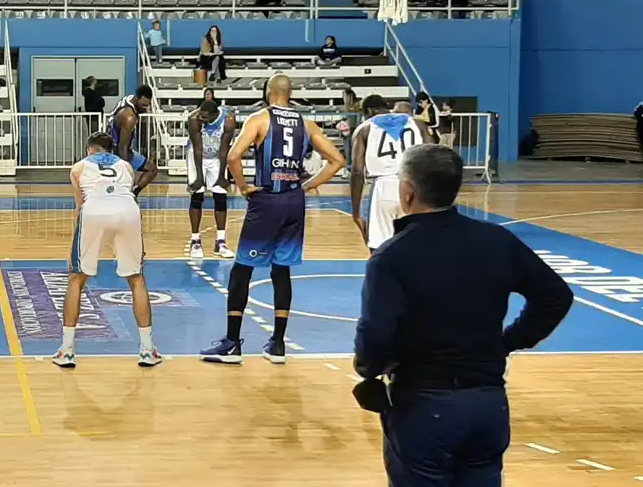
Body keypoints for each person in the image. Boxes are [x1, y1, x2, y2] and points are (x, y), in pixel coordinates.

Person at [354, 144, 574, 486]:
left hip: (424, 404)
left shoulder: (392, 258)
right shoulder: (496, 239)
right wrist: (509, 341)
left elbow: (376, 334)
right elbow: (555, 296)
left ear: (408, 192)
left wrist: (369, 373)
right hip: (488, 402)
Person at [200, 74, 346, 364]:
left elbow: (233, 156)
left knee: (241, 270)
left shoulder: (260, 118)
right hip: (294, 201)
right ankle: (277, 344)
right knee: (282, 271)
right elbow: (338, 161)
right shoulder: (306, 123)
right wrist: (307, 185)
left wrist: (243, 186)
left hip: (266, 200)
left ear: (268, 92)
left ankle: (232, 343)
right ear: (290, 94)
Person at [54, 131, 161, 369]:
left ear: (90, 149)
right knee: (136, 279)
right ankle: (147, 350)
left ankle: (67, 350)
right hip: (128, 211)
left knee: (76, 279)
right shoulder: (125, 165)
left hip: (94, 211)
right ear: (109, 150)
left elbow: (80, 207)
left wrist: (74, 242)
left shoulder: (78, 168)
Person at [349, 95, 436, 252]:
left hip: (383, 187)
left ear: (368, 111)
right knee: (416, 246)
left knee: (379, 250)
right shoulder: (416, 123)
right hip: (414, 184)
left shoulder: (364, 128)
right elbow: (434, 157)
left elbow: (356, 171)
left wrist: (356, 212)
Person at [185, 100, 237, 260]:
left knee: (220, 196)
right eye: (200, 114)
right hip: (196, 155)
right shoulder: (194, 119)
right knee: (197, 195)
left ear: (214, 115)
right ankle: (195, 241)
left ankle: (220, 242)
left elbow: (224, 150)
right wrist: (199, 178)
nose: (201, 118)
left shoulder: (228, 121)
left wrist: (222, 175)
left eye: (205, 117)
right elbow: (198, 149)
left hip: (216, 157)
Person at [107, 85, 158, 194]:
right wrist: (126, 170)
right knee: (122, 182)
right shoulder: (129, 117)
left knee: (152, 169)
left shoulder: (129, 99)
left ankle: (134, 193)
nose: (146, 108)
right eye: (143, 105)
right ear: (137, 99)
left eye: (147, 105)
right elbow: (122, 147)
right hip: (115, 152)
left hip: (123, 148)